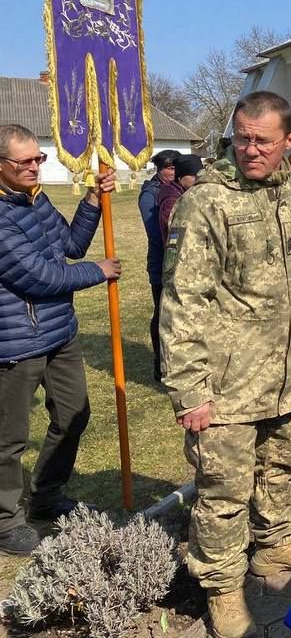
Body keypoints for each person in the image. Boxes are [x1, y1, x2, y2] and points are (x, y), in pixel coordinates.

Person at [160, 92, 291, 638]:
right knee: (223, 492)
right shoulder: (207, 202)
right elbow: (183, 300)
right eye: (242, 138)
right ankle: (222, 589)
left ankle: (274, 545)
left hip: (286, 375)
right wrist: (190, 389)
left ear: (289, 141)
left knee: (280, 466)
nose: (250, 149)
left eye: (263, 140)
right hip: (228, 384)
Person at [0, 124, 120, 556]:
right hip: (15, 344)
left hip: (59, 333)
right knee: (9, 440)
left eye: (38, 158)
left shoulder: (35, 198)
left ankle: (46, 496)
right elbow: (39, 276)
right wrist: (98, 272)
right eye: (24, 162)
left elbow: (70, 245)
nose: (35, 167)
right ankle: (5, 521)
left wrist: (93, 200)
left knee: (73, 415)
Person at [139, 149, 181, 382]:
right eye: (170, 168)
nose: (173, 173)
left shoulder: (177, 188)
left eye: (176, 168)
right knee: (162, 312)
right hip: (160, 261)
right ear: (159, 169)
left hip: (173, 260)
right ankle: (160, 363)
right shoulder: (150, 194)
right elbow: (155, 232)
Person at [157, 154, 203, 238]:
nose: (198, 179)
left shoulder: (189, 193)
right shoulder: (171, 201)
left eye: (200, 176)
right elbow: (174, 235)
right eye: (193, 175)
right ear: (179, 177)